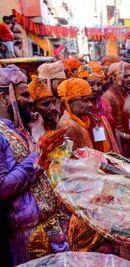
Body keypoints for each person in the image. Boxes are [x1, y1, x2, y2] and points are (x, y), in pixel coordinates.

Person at [0, 66, 69, 265]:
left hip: (51, 228)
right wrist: (38, 152)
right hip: (27, 236)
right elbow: (2, 187)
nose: (31, 101)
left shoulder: (21, 128)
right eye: (25, 95)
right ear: (5, 98)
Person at [101, 62, 130, 158]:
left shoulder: (125, 94)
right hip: (120, 147)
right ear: (114, 78)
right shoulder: (108, 97)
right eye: (126, 76)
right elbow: (109, 129)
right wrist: (129, 137)